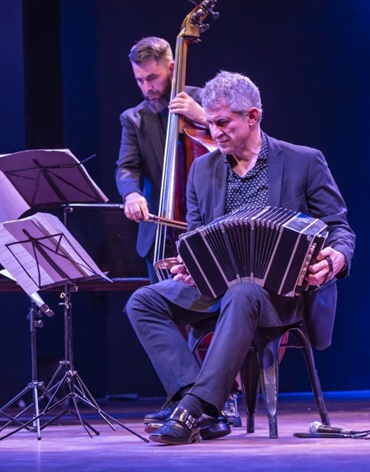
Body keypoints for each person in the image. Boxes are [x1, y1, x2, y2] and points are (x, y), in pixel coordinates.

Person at [124, 71, 355, 445]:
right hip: (216, 288)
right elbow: (195, 238)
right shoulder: (203, 169)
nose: (214, 132)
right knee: (144, 301)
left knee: (244, 291)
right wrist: (191, 265)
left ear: (252, 116)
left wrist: (336, 258)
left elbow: (339, 227)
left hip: (281, 293)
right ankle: (195, 400)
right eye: (210, 123)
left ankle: (193, 410)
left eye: (222, 122)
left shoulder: (304, 161)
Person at [115, 36, 208, 284]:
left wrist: (204, 118)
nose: (147, 88)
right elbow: (127, 167)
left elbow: (240, 143)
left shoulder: (205, 101)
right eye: (140, 80)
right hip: (159, 236)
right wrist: (131, 194)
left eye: (152, 78)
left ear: (172, 68)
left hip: (206, 233)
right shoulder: (133, 119)